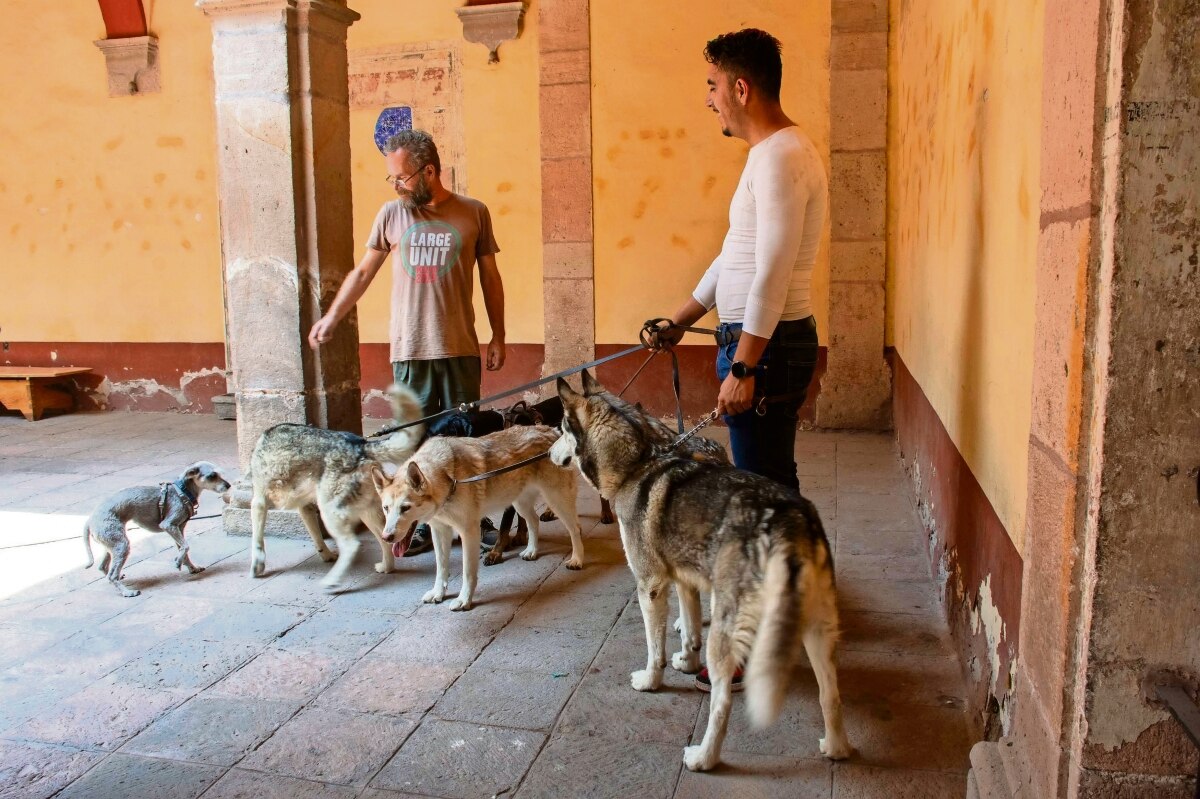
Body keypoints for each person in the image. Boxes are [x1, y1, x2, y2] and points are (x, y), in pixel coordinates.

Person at [652, 29, 826, 691]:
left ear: (742, 88)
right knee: (772, 488)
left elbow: (774, 270)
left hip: (769, 345)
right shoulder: (770, 155)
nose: (710, 101)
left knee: (758, 501)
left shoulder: (781, 156)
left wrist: (744, 366)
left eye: (713, 87)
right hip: (763, 341)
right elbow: (736, 255)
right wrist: (680, 320)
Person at [309, 130, 506, 555]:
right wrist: (332, 317)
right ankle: (417, 523)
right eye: (392, 180)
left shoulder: (474, 212)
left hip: (460, 348)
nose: (396, 186)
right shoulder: (391, 215)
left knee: (464, 441)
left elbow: (490, 277)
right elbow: (362, 273)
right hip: (410, 350)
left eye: (401, 177)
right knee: (412, 443)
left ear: (429, 171)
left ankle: (474, 515)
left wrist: (499, 334)